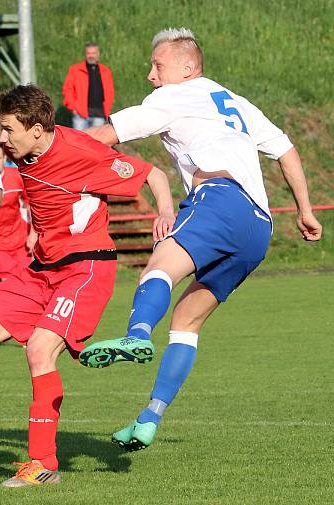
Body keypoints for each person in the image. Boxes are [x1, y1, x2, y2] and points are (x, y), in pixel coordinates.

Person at [0, 85, 175, 487]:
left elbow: (152, 174)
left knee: (38, 350)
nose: (3, 138)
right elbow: (52, 200)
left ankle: (43, 463)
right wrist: (39, 230)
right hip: (40, 269)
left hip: (85, 269)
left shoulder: (82, 151)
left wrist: (166, 214)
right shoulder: (26, 154)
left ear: (36, 129)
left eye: (8, 129)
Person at [78, 27, 323, 451]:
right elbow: (286, 150)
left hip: (219, 200)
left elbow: (104, 136)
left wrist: (45, 157)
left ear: (186, 67)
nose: (151, 76)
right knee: (187, 322)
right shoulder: (237, 103)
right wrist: (305, 210)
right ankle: (149, 419)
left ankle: (137, 334)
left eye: (157, 66)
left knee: (158, 268)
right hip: (258, 227)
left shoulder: (172, 97)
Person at [0, 139, 34, 286]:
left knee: (28, 281)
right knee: (7, 285)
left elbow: (32, 203)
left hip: (20, 239)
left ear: (5, 158)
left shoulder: (16, 176)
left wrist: (34, 233)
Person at [62, 42, 114, 130]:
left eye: (93, 53)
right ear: (85, 54)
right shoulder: (76, 69)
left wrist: (107, 109)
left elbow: (110, 92)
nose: (91, 56)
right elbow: (68, 89)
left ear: (98, 54)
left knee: (96, 142)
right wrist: (73, 107)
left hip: (99, 115)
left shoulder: (105, 71)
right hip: (80, 115)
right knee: (79, 142)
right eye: (88, 53)